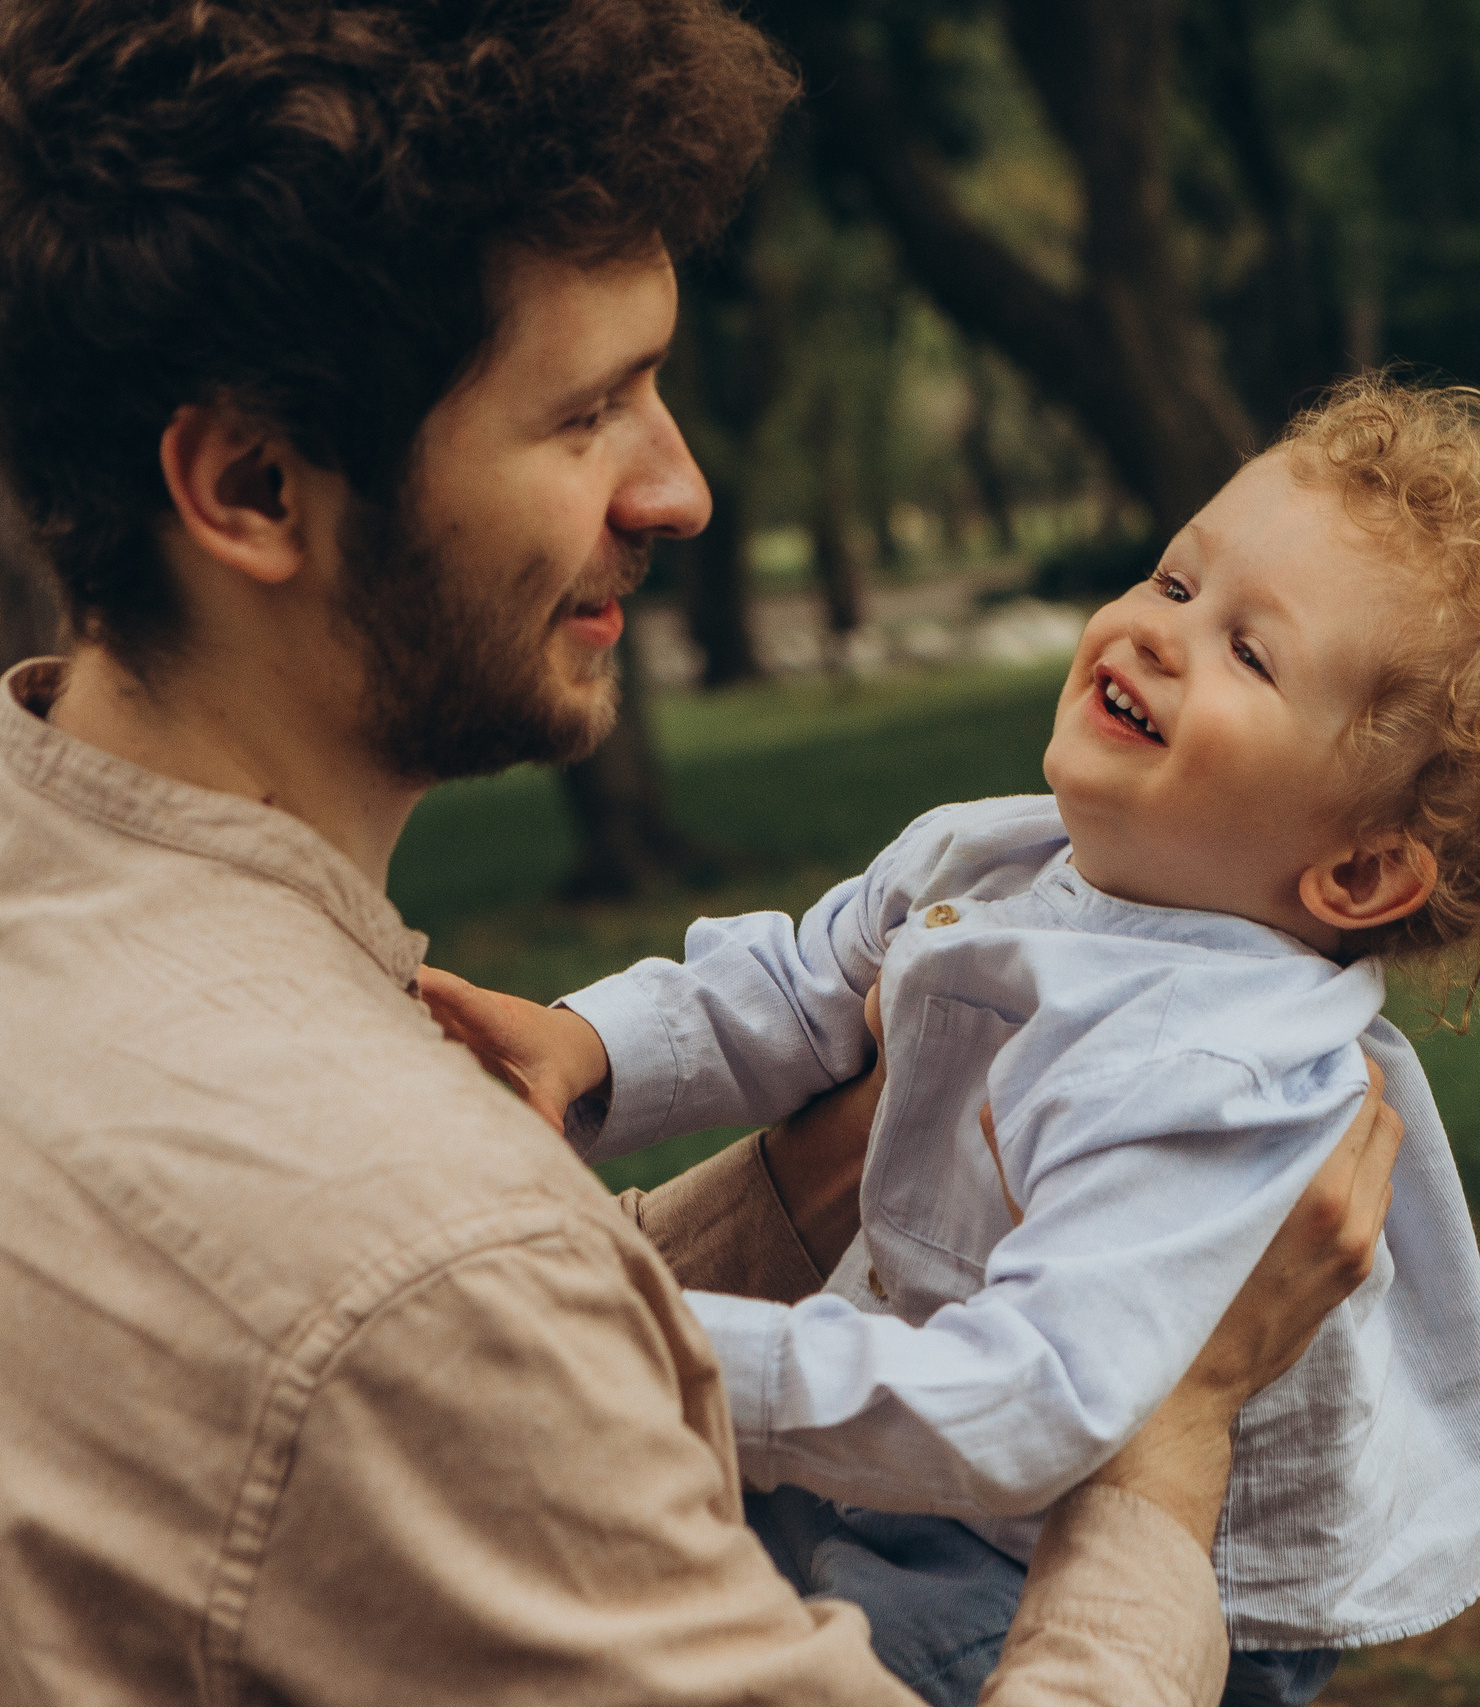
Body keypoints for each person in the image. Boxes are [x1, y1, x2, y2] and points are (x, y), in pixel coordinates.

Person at [0, 3, 1403, 1703]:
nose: (680, 492)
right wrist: (1176, 1438)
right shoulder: (418, 1256)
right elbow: (437, 1331)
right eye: (586, 411)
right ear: (253, 485)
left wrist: (824, 1166)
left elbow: (390, 1377)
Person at [423, 379, 1480, 1705]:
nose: (1157, 634)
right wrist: (584, 1048)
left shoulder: (1218, 1076)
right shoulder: (1002, 853)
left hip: (1090, 1541)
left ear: (1358, 876)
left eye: (1247, 652)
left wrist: (660, 1342)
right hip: (947, 1436)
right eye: (1175, 580)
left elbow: (1043, 1398)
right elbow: (796, 984)